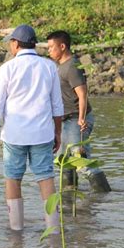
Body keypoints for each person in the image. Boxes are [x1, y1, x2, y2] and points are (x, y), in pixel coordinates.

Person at [0, 24, 64, 232]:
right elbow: (57, 105)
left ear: (15, 44)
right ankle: (54, 229)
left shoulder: (7, 68)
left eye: (10, 43)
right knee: (45, 177)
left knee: (13, 178)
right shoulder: (49, 66)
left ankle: (16, 230)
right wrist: (58, 132)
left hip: (14, 134)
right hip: (42, 133)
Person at [47, 30, 111, 192]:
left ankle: (103, 195)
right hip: (65, 121)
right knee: (64, 162)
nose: (48, 51)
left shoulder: (72, 67)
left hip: (76, 120)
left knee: (82, 163)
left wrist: (82, 119)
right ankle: (69, 197)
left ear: (62, 46)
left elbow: (83, 94)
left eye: (51, 47)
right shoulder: (61, 66)